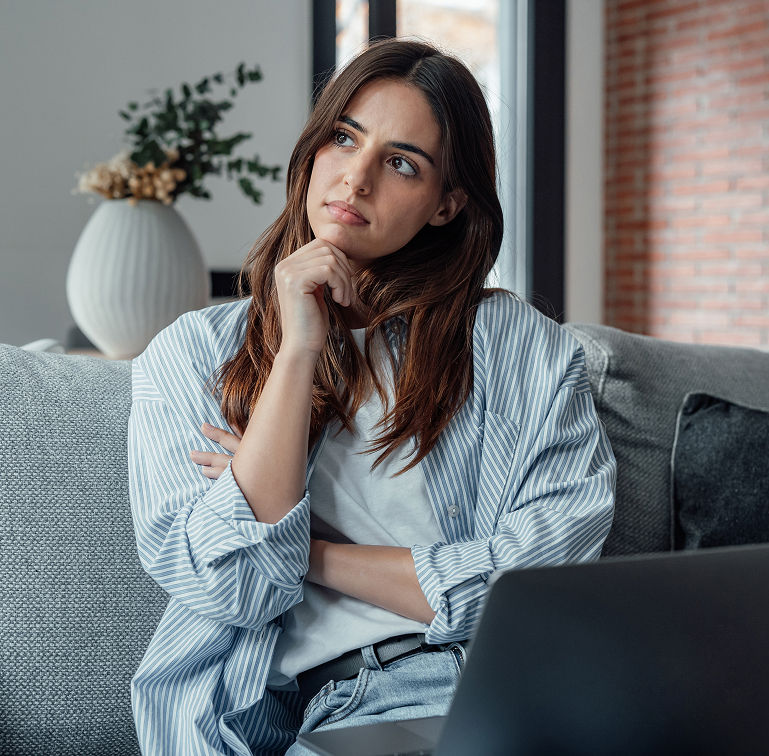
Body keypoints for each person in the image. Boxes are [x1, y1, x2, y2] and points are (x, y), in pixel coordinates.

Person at [127, 37, 616, 755]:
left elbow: (537, 586)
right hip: (310, 710)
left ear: (447, 203)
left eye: (399, 163)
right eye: (343, 138)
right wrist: (297, 349)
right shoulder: (193, 356)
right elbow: (233, 586)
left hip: (491, 690)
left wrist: (312, 551)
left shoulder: (518, 347)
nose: (354, 179)